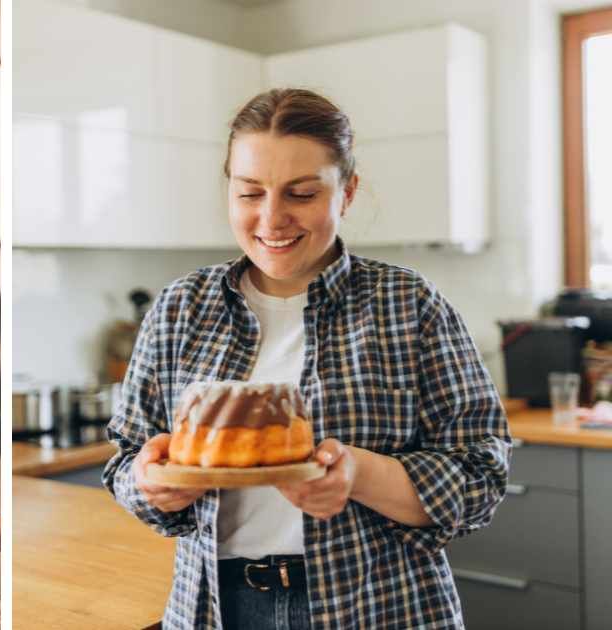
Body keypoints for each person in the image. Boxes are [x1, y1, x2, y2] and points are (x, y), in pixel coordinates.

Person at [103, 88, 509, 628]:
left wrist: (357, 474)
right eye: (250, 193)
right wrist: (152, 484)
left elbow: (481, 474)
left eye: (301, 193)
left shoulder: (408, 305)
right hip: (216, 608)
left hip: (379, 607)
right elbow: (126, 460)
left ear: (347, 193)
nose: (272, 219)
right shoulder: (181, 307)